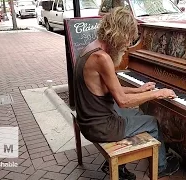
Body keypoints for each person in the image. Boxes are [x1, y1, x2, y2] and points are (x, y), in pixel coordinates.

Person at [73, 7, 180, 179]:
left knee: (135, 113)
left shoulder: (90, 48)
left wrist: (138, 90)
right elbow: (122, 101)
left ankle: (120, 168)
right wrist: (158, 93)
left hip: (88, 119)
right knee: (153, 122)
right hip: (99, 127)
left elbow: (109, 88)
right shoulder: (103, 58)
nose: (128, 45)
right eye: (128, 39)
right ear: (120, 35)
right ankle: (161, 167)